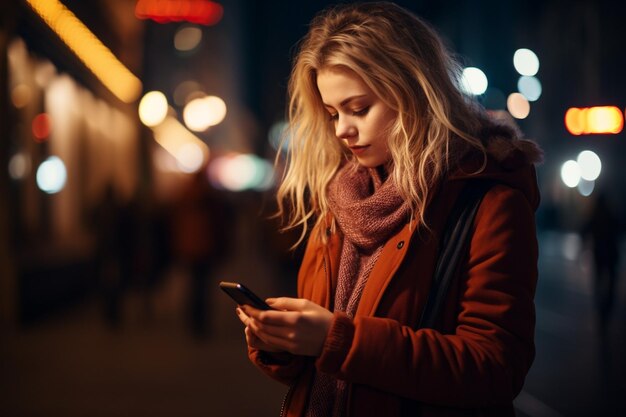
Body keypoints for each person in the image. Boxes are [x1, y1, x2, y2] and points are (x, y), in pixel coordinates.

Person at [235, 3, 543, 416]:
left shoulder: (487, 199)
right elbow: (321, 369)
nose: (342, 128)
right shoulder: (340, 202)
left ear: (412, 89)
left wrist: (334, 339)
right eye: (332, 113)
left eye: (359, 108)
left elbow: (494, 367)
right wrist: (286, 344)